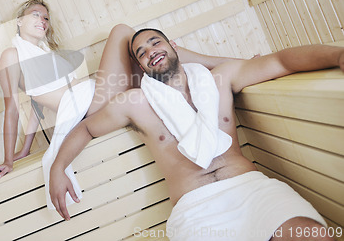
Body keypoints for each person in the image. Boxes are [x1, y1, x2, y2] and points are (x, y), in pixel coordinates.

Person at [49, 27, 344, 241]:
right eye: (142, 52)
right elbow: (86, 127)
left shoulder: (220, 78)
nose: (151, 51)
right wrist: (58, 167)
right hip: (196, 211)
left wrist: (338, 55)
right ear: (140, 66)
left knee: (313, 237)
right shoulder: (136, 103)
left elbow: (281, 61)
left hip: (253, 191)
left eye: (155, 43)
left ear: (174, 46)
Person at [0, 0, 236, 182]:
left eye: (46, 18)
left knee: (148, 49)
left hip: (93, 95)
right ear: (19, 21)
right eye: (36, 15)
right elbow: (13, 107)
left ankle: (219, 63)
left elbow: (37, 104)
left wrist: (25, 149)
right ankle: (223, 62)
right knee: (125, 33)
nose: (42, 21)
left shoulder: (44, 54)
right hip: (90, 105)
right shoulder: (11, 55)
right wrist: (8, 159)